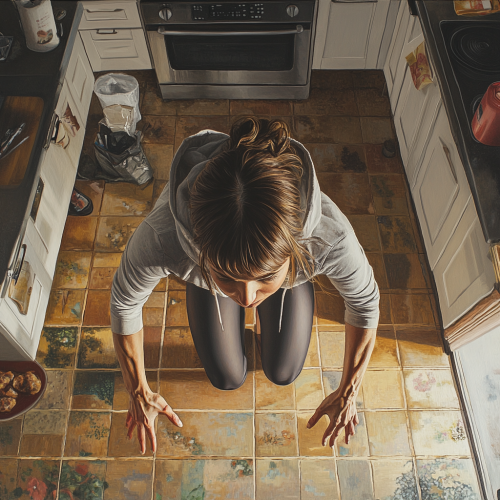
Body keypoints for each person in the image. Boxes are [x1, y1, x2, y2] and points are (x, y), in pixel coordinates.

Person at [110, 117, 379, 455]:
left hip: (283, 263)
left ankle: (252, 276)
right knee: (227, 376)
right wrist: (138, 391)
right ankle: (240, 276)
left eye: (263, 279)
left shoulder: (327, 238)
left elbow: (366, 304)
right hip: (206, 267)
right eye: (230, 279)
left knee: (284, 371)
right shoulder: (163, 238)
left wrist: (348, 392)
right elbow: (124, 304)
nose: (247, 297)